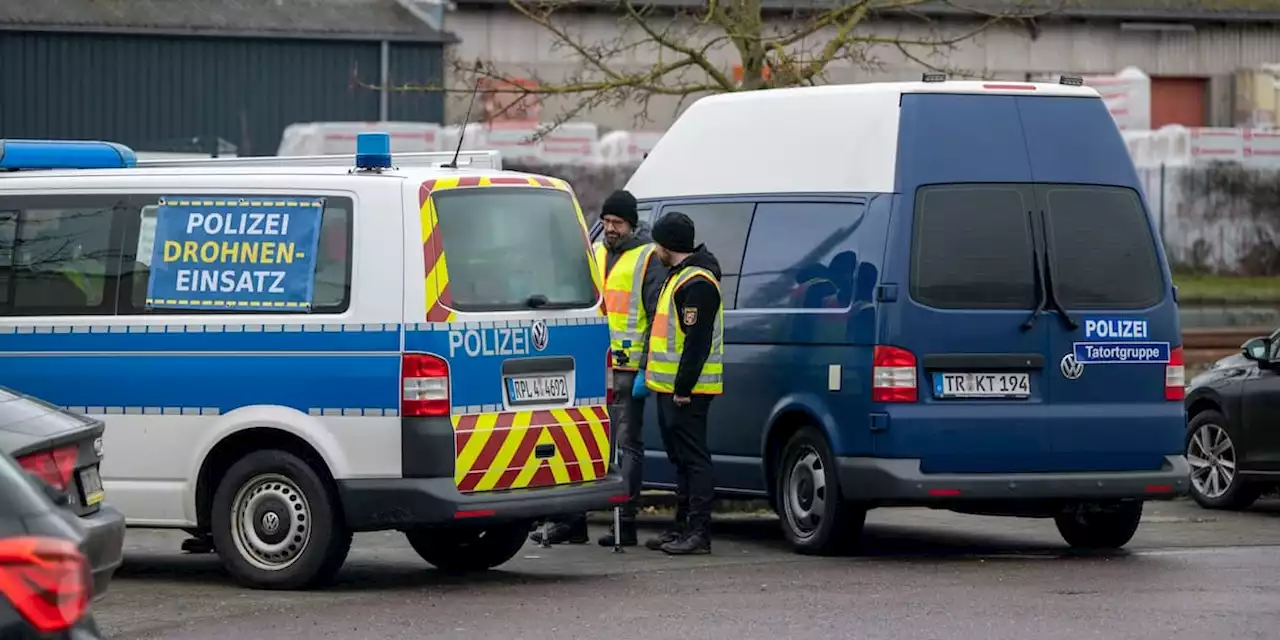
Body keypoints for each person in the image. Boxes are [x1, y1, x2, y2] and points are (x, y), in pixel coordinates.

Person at [528, 189, 667, 547]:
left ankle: (627, 520)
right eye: (606, 222)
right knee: (581, 443)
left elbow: (656, 318)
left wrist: (646, 369)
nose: (610, 229)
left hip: (627, 368)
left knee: (627, 445)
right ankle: (574, 521)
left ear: (632, 224)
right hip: (591, 367)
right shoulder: (598, 252)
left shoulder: (648, 258)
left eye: (617, 223)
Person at [642, 211, 723, 555]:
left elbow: (697, 341)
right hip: (669, 389)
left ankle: (699, 533)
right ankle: (681, 528)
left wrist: (683, 388)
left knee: (694, 460)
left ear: (668, 244)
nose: (654, 249)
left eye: (657, 243)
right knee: (681, 460)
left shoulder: (697, 283)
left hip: (688, 392)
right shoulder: (678, 277)